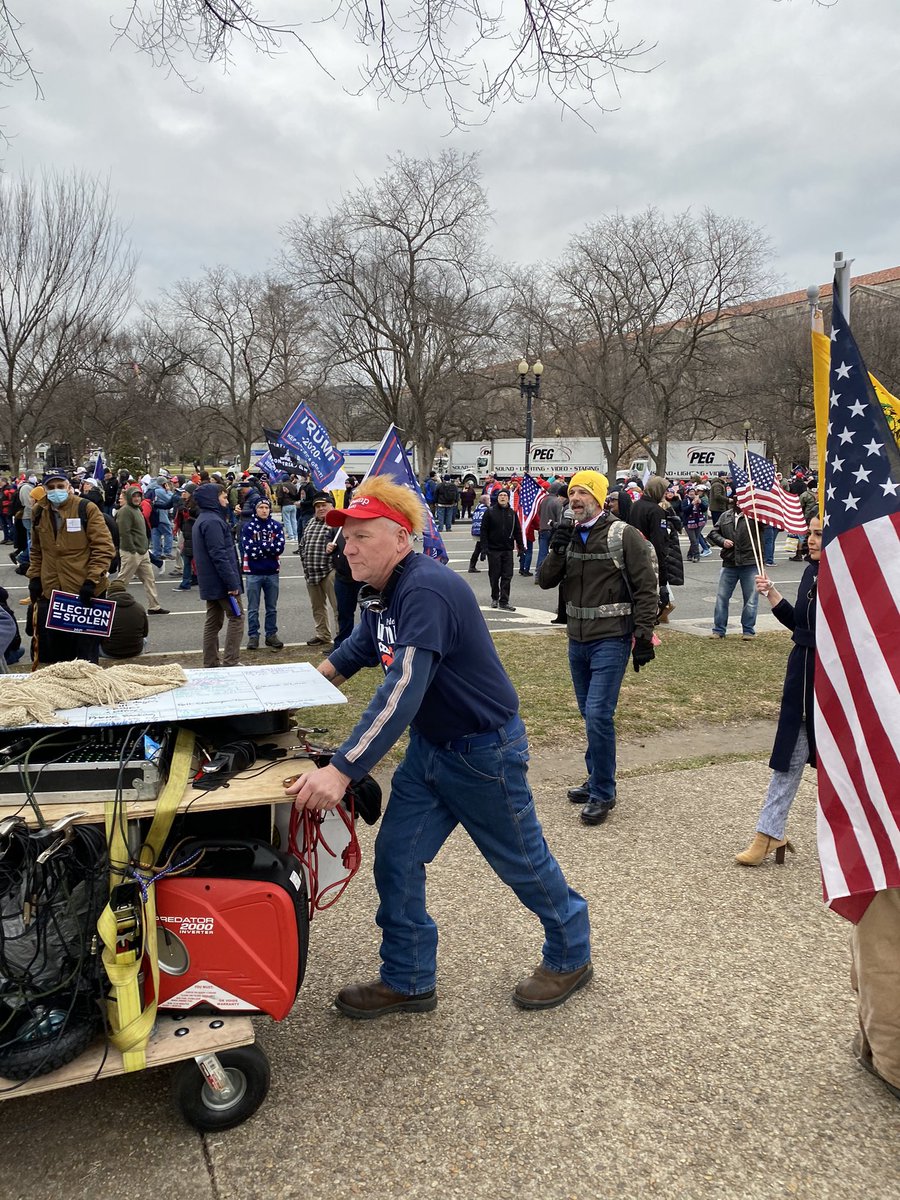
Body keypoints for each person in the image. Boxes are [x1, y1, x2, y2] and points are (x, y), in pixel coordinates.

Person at [284, 476, 592, 1016]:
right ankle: (407, 978)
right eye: (345, 536)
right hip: (432, 749)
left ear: (401, 538)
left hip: (483, 753)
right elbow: (361, 645)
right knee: (397, 858)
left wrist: (342, 769)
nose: (347, 546)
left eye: (361, 535)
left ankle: (571, 953)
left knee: (521, 860)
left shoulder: (424, 587)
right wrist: (304, 687)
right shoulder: (379, 589)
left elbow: (403, 686)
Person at [537, 470, 657, 825]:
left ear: (599, 498)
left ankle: (604, 791)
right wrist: (557, 549)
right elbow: (545, 581)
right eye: (572, 493)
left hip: (611, 639)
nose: (575, 499)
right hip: (577, 640)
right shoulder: (568, 534)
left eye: (584, 493)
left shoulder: (623, 535)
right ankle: (595, 778)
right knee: (589, 714)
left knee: (598, 715)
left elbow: (646, 587)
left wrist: (644, 636)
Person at [735, 516, 822, 865]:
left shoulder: (848, 576)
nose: (810, 539)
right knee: (788, 759)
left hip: (835, 682)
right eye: (810, 532)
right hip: (803, 673)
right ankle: (768, 832)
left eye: (819, 534)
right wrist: (772, 594)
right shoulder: (810, 571)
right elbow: (801, 624)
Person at [26, 471, 116, 666]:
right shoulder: (39, 512)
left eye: (60, 486)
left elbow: (103, 547)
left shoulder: (86, 508)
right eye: (51, 487)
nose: (56, 491)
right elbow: (36, 549)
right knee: (59, 657)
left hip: (85, 592)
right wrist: (34, 578)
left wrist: (92, 580)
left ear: (69, 487)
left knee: (86, 658)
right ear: (44, 489)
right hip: (53, 593)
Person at [192, 482, 244, 668]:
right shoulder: (213, 521)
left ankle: (211, 662)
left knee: (213, 621)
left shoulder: (205, 519)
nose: (226, 500)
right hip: (222, 583)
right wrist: (232, 584)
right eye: (223, 496)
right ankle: (231, 660)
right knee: (237, 617)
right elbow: (219, 555)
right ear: (213, 499)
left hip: (211, 582)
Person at [706, 497, 764, 639]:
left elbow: (773, 527)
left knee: (751, 598)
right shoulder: (726, 516)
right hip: (729, 562)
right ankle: (719, 629)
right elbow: (713, 533)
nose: (739, 502)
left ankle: (748, 630)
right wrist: (722, 541)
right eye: (737, 500)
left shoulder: (756, 516)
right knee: (722, 597)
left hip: (750, 562)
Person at [115, 485, 170, 615]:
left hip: (142, 552)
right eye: (134, 496)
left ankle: (154, 606)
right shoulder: (125, 511)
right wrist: (132, 550)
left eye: (138, 495)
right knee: (122, 580)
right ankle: (111, 604)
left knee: (149, 579)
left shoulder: (137, 509)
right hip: (131, 552)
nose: (136, 498)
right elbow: (124, 533)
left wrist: (142, 548)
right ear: (129, 497)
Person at [241, 496, 285, 651]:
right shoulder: (248, 527)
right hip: (253, 572)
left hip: (272, 572)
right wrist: (268, 547)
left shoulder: (276, 526)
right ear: (255, 509)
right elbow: (250, 550)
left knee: (271, 607)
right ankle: (253, 636)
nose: (264, 510)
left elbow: (279, 547)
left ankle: (271, 634)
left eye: (266, 508)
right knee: (253, 608)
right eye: (261, 507)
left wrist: (262, 546)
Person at [628, 476, 672, 624]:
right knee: (650, 594)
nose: (665, 494)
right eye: (663, 491)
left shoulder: (635, 505)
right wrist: (663, 578)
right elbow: (659, 542)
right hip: (650, 557)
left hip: (633, 554)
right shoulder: (656, 511)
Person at [299, 491, 338, 647]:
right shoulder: (311, 522)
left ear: (332, 506)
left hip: (330, 571)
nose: (321, 509)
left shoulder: (337, 523)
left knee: (337, 608)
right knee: (317, 607)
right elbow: (303, 544)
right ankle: (323, 635)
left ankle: (342, 638)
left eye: (324, 505)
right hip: (311, 572)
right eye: (318, 506)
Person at [478, 487, 524, 611]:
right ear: (497, 498)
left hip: (507, 550)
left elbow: (517, 531)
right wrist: (484, 549)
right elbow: (483, 531)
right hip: (494, 550)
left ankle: (504, 601)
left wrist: (521, 547)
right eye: (500, 495)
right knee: (494, 575)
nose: (503, 497)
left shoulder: (512, 513)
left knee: (507, 576)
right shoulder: (490, 512)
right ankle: (494, 597)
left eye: (505, 495)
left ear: (508, 498)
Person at [100, 579, 149, 659]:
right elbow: (145, 633)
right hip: (136, 651)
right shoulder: (139, 607)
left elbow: (98, 634)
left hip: (110, 652)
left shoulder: (104, 609)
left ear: (109, 593)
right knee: (145, 640)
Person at [277, 474, 300, 544]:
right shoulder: (293, 485)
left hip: (285, 504)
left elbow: (280, 496)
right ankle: (296, 535)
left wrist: (279, 503)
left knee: (287, 521)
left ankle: (291, 536)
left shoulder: (281, 485)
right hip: (293, 504)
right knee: (294, 520)